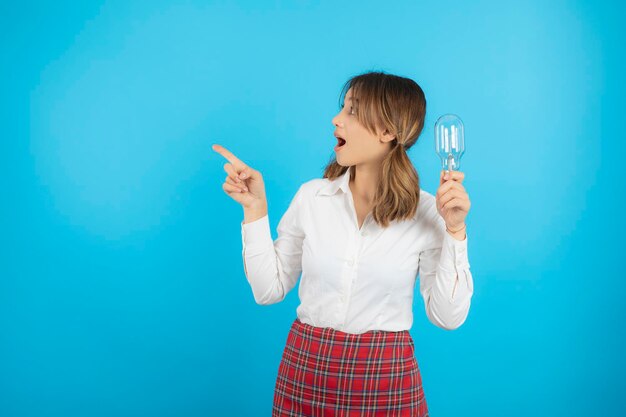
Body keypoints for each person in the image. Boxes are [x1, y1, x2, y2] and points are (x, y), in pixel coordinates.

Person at [212, 70, 473, 416]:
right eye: (343, 108)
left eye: (352, 110)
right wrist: (255, 210)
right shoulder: (311, 197)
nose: (336, 119)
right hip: (305, 372)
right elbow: (268, 290)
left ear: (388, 131)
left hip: (385, 379)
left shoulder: (428, 211)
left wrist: (455, 231)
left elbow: (447, 317)